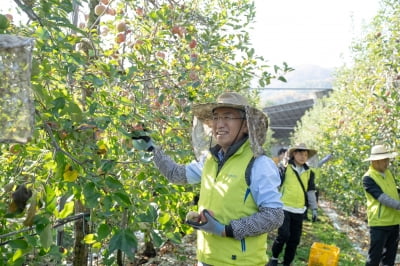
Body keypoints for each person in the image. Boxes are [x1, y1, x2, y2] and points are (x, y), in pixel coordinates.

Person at [134, 92, 284, 265]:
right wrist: (151, 149)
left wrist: (226, 230)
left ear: (246, 125)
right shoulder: (210, 160)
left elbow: (274, 216)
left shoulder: (258, 164)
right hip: (206, 258)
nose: (219, 124)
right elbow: (177, 174)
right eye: (216, 117)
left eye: (228, 117)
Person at [267, 143, 319, 266]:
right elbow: (275, 184)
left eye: (305, 154)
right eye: (300, 153)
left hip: (299, 210)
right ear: (294, 154)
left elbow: (310, 191)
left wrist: (314, 209)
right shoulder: (285, 168)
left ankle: (287, 262)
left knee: (294, 239)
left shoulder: (309, 172)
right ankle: (274, 258)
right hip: (284, 207)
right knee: (284, 235)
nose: (303, 156)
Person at [362, 144, 400, 266]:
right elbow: (382, 197)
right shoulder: (368, 178)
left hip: (394, 221)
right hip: (380, 223)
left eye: (387, 160)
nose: (387, 163)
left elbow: (394, 190)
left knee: (389, 258)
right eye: (384, 160)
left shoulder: (388, 173)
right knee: (374, 257)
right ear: (375, 162)